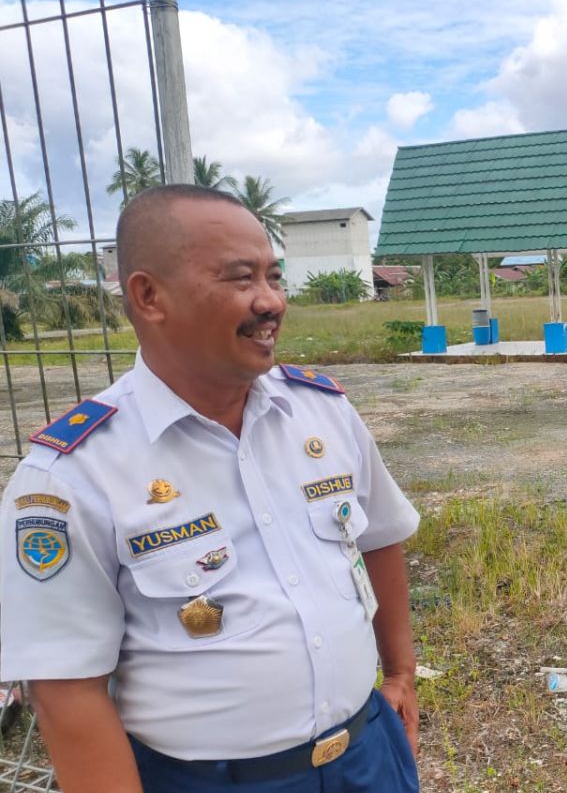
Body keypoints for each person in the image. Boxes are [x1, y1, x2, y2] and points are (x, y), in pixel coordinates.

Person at [0, 184, 421, 792]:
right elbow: (67, 689)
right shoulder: (71, 475)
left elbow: (380, 535)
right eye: (240, 278)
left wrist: (401, 672)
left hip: (367, 757)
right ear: (149, 296)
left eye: (275, 277)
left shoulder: (321, 412)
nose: (271, 301)